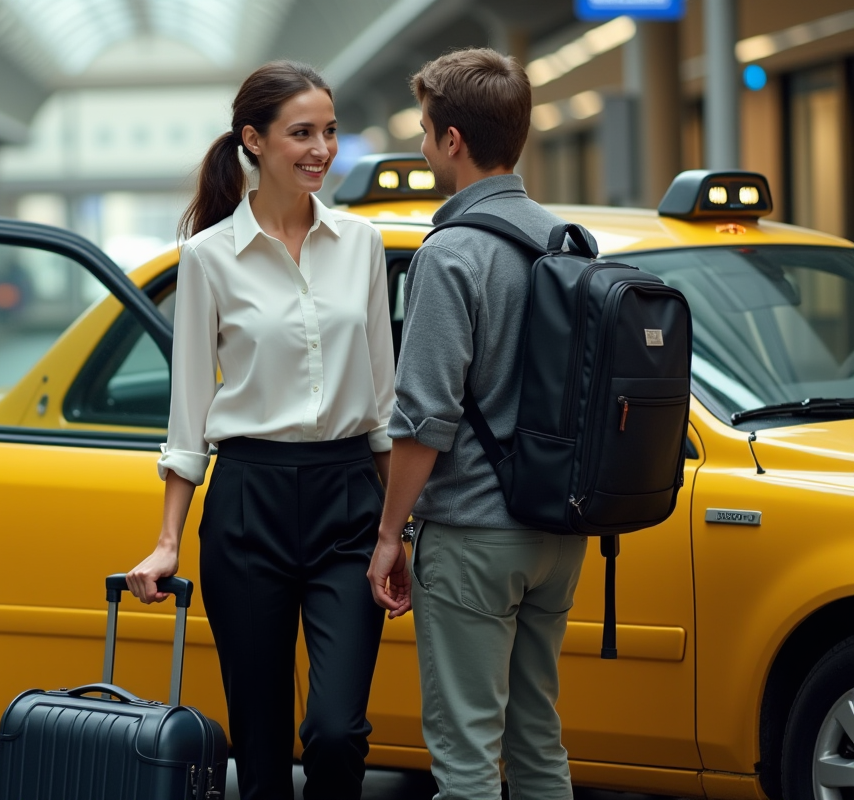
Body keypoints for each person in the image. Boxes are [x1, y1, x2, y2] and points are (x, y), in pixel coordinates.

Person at [126, 61, 396, 800]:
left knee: (338, 732)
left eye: (330, 131)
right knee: (262, 740)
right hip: (249, 504)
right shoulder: (209, 257)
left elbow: (382, 406)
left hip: (348, 502)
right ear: (254, 139)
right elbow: (188, 417)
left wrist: (396, 527)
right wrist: (167, 540)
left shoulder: (362, 246)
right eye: (301, 133)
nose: (322, 149)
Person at [367, 48, 588, 800]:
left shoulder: (452, 254)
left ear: (453, 140)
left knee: (465, 758)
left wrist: (391, 533)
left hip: (472, 536)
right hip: (558, 531)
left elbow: (424, 417)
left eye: (427, 131)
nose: (425, 147)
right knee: (537, 742)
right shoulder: (567, 242)